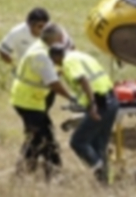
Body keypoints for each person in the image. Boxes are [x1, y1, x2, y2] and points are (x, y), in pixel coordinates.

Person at [10, 22, 77, 180]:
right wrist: (72, 98)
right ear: (55, 38)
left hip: (32, 100)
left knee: (39, 137)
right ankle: (47, 173)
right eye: (61, 37)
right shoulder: (41, 55)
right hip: (28, 101)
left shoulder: (43, 49)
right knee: (42, 138)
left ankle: (33, 171)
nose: (63, 40)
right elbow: (53, 83)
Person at [48, 45, 119, 186]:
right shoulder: (80, 55)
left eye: (54, 61)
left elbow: (83, 79)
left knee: (78, 141)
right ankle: (105, 184)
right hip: (112, 100)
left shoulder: (68, 62)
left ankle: (98, 167)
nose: (55, 64)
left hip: (99, 104)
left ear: (56, 57)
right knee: (99, 144)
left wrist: (92, 105)